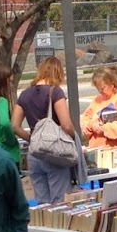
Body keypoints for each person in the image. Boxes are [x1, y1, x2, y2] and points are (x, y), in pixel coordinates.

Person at [15, 56, 77, 205]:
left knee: (42, 202)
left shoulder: (25, 94)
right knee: (60, 201)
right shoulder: (55, 92)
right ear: (58, 73)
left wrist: (32, 138)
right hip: (55, 152)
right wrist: (72, 138)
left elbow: (15, 125)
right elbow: (66, 125)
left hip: (35, 153)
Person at [81, 66, 117, 149]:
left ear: (112, 84)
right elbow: (85, 119)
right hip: (97, 149)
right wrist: (91, 125)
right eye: (98, 88)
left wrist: (103, 128)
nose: (100, 91)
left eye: (103, 88)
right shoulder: (97, 100)